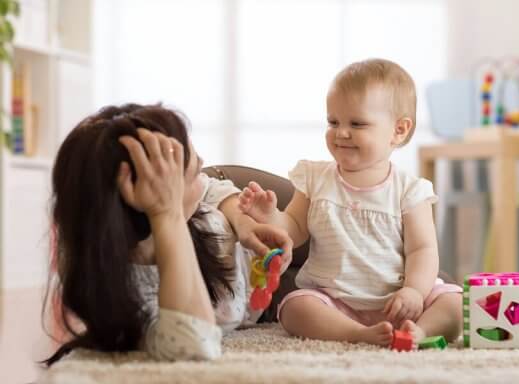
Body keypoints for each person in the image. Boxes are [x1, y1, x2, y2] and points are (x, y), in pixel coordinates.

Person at [44, 103, 293, 365]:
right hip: (266, 296)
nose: (201, 161)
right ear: (155, 199)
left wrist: (243, 222)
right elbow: (193, 345)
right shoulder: (119, 292)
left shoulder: (192, 200)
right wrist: (167, 214)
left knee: (329, 205)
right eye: (193, 168)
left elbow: (208, 185)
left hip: (245, 205)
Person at [239, 59, 462, 347]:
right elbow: (294, 229)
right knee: (295, 309)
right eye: (333, 122)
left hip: (399, 302)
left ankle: (417, 332)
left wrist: (414, 292)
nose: (341, 132)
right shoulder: (315, 178)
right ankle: (356, 334)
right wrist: (270, 217)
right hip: (335, 302)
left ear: (399, 130)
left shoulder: (410, 190)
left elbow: (423, 249)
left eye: (357, 123)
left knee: (456, 304)